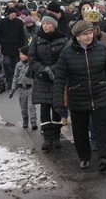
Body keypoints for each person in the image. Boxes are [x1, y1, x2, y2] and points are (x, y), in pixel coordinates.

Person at [53, 20, 106, 171]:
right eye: (85, 34)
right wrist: (59, 101)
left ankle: (104, 157)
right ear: (77, 36)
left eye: (90, 33)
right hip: (78, 96)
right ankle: (84, 157)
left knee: (103, 128)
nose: (89, 36)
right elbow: (60, 78)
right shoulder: (67, 53)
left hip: (101, 93)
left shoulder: (101, 49)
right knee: (80, 130)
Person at [28, 15, 69, 151]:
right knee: (44, 107)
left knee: (57, 106)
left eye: (48, 24)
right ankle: (47, 138)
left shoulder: (63, 39)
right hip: (42, 78)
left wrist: (53, 69)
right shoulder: (36, 39)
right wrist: (43, 69)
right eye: (43, 23)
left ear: (54, 25)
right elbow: (32, 58)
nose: (45, 26)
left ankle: (57, 137)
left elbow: (65, 58)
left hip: (58, 77)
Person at [0, 8, 27, 90]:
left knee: (15, 65)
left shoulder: (19, 22)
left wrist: (22, 47)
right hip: (6, 47)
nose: (13, 14)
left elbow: (22, 35)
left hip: (16, 47)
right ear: (9, 14)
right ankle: (9, 80)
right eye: (12, 13)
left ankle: (15, 81)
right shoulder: (3, 22)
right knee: (6, 63)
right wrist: (2, 41)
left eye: (15, 13)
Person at [9, 46, 38, 130]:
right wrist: (13, 89)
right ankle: (25, 121)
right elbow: (15, 77)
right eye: (20, 54)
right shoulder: (18, 65)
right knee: (23, 108)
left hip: (30, 88)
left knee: (31, 107)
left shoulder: (32, 65)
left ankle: (33, 122)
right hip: (21, 89)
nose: (22, 56)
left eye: (24, 54)